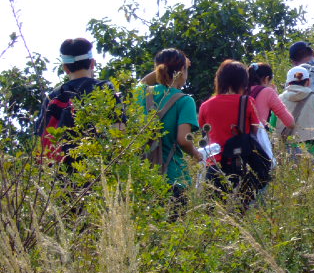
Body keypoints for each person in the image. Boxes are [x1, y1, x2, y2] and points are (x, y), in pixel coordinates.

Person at [36, 38, 124, 168]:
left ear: (65, 68)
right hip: (97, 168)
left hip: (60, 172)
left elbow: (40, 139)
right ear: (92, 63)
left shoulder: (53, 96)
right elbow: (119, 129)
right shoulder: (104, 88)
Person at [139, 48, 202, 193]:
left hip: (143, 179)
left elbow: (142, 82)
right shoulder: (185, 101)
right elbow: (183, 140)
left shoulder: (142, 93)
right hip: (174, 177)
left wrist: (163, 68)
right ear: (182, 70)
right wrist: (196, 154)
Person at [198, 60, 261, 166]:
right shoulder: (247, 101)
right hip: (239, 161)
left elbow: (205, 133)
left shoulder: (205, 106)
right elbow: (256, 130)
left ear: (219, 80)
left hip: (214, 164)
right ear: (243, 82)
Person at [269, 66, 314, 159]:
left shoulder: (279, 99)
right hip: (308, 149)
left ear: (288, 83)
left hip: (284, 150)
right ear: (308, 82)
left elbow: (272, 127)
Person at [247, 62, 294, 129]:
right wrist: (276, 96)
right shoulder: (268, 92)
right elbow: (290, 123)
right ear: (266, 79)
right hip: (257, 134)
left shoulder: (240, 90)